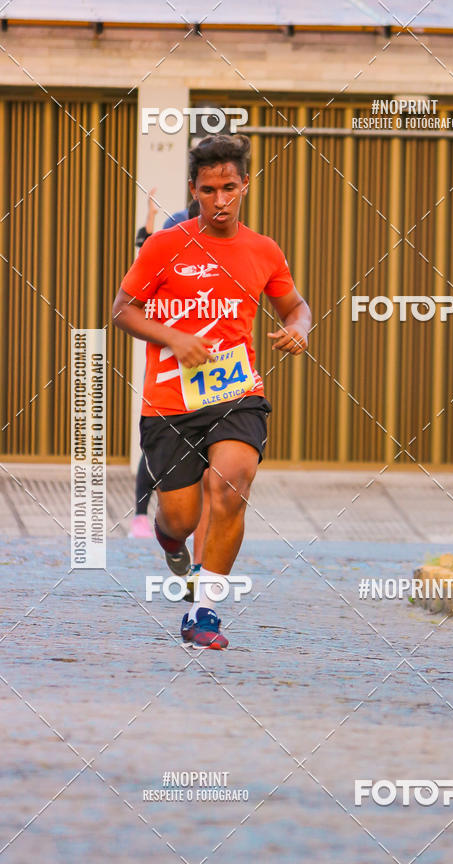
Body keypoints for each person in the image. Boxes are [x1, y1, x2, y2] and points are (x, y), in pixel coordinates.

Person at [113, 134, 311, 649]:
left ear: (245, 185)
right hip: (170, 403)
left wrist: (299, 328)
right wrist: (175, 338)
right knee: (180, 518)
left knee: (233, 483)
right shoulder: (164, 245)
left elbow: (295, 306)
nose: (220, 200)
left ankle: (204, 612)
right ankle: (169, 540)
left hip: (236, 390)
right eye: (208, 190)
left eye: (229, 188)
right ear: (193, 190)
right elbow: (122, 310)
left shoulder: (263, 250)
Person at [129, 194, 202, 540]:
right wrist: (150, 216)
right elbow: (143, 249)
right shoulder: (161, 264)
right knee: (156, 450)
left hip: (208, 375)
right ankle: (141, 516)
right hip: (167, 372)